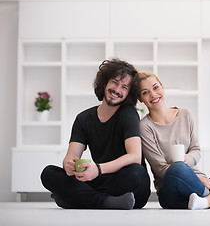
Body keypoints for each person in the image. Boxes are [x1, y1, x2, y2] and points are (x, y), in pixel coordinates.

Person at [133, 71, 210, 210]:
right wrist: (199, 179)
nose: (153, 94)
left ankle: (205, 201)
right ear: (140, 99)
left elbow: (196, 151)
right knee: (178, 167)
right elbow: (160, 169)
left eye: (156, 87)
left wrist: (188, 159)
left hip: (200, 184)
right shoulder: (144, 126)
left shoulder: (185, 114)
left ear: (162, 87)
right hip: (172, 192)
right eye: (145, 92)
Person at [41, 59, 151, 209]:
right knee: (49, 173)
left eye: (124, 87)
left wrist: (98, 169)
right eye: (115, 82)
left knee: (137, 173)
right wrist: (69, 165)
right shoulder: (83, 118)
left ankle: (77, 198)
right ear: (105, 82)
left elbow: (135, 157)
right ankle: (107, 201)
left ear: (128, 93)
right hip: (99, 181)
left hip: (127, 183)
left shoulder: (128, 113)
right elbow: (71, 156)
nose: (117, 90)